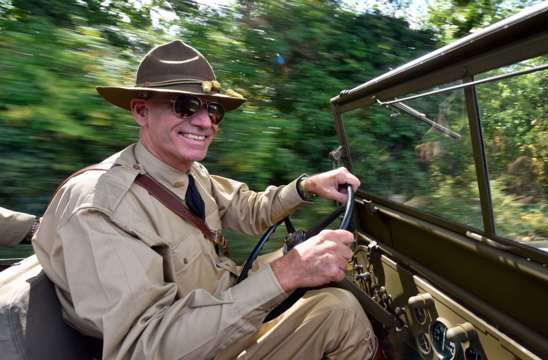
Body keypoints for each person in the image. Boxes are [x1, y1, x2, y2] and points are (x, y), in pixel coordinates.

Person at [32, 40, 377, 359]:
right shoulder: (103, 207)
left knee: (321, 262)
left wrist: (305, 187)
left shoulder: (190, 174)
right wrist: (285, 275)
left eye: (213, 110)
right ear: (141, 111)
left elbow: (250, 210)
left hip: (213, 306)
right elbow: (142, 348)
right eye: (186, 106)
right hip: (189, 345)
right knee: (339, 311)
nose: (204, 122)